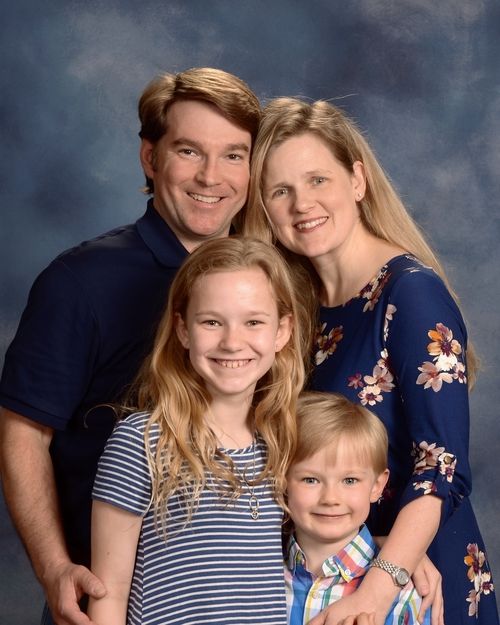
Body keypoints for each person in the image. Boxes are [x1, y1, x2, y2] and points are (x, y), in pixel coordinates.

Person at [0, 67, 261, 625]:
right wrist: (53, 567)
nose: (211, 176)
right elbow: (24, 432)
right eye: (189, 151)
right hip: (104, 598)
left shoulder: (268, 281)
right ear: (150, 158)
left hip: (239, 600)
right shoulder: (80, 282)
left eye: (233, 155)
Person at [245, 97, 499, 625]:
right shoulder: (297, 304)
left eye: (318, 180)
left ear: (357, 180)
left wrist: (380, 581)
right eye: (280, 190)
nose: (302, 204)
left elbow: (442, 468)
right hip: (335, 566)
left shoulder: (410, 294)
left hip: (417, 582)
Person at [86, 236, 305, 624]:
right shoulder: (141, 442)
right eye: (211, 322)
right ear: (183, 330)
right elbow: (108, 594)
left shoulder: (282, 442)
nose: (232, 342)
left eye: (253, 322)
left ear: (282, 331)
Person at [285, 391, 430, 625]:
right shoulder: (256, 577)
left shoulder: (404, 594)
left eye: (349, 480)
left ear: (377, 486)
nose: (330, 498)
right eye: (310, 480)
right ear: (282, 482)